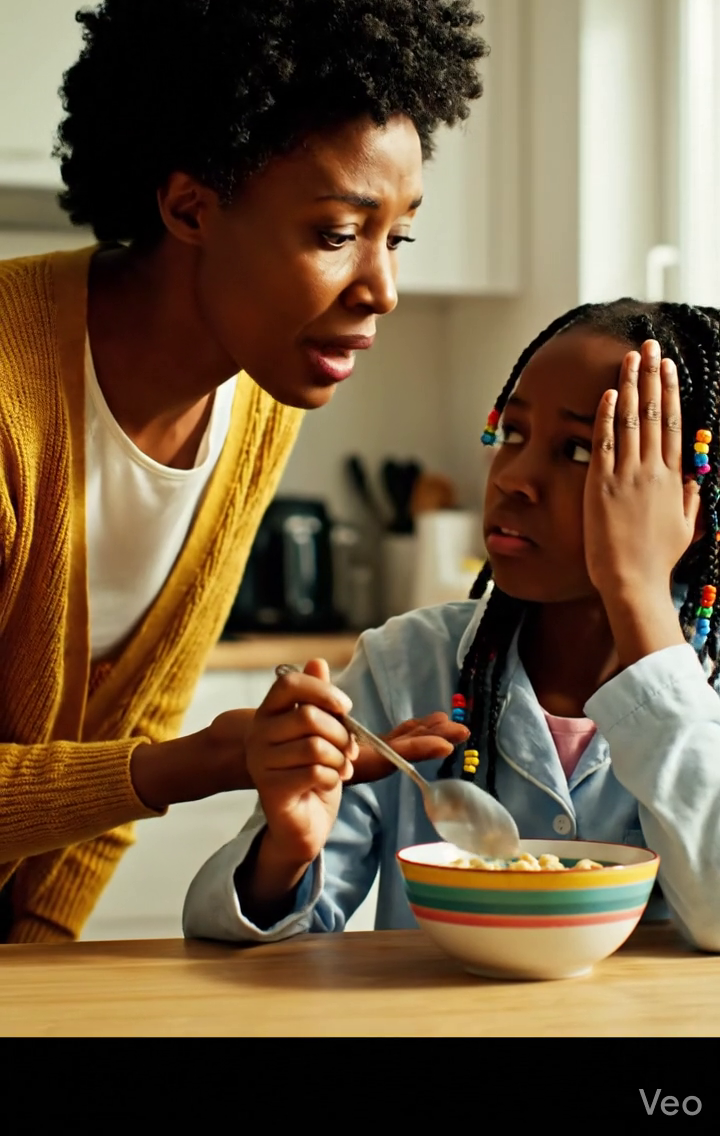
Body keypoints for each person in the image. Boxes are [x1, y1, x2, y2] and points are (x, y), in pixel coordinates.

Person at [0, 0, 486, 943]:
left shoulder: (256, 399)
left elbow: (115, 738)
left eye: (397, 238)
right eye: (338, 230)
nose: (381, 289)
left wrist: (37, 959)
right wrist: (210, 759)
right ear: (189, 208)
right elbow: (146, 753)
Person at [184, 298, 720, 953]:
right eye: (512, 435)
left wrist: (636, 588)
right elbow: (241, 948)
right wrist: (284, 852)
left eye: (579, 450)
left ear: (692, 505)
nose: (514, 478)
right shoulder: (407, 666)